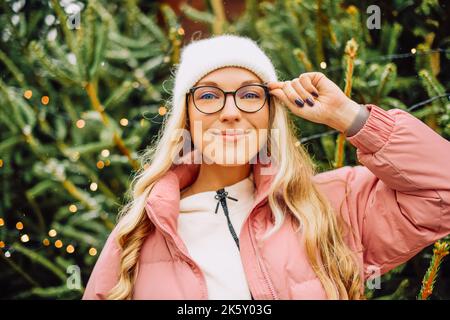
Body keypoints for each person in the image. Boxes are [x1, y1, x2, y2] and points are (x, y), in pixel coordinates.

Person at [82, 34, 450, 300]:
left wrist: (348, 116)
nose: (230, 112)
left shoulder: (330, 206)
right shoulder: (137, 236)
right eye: (209, 95)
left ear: (270, 113)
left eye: (250, 95)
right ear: (186, 117)